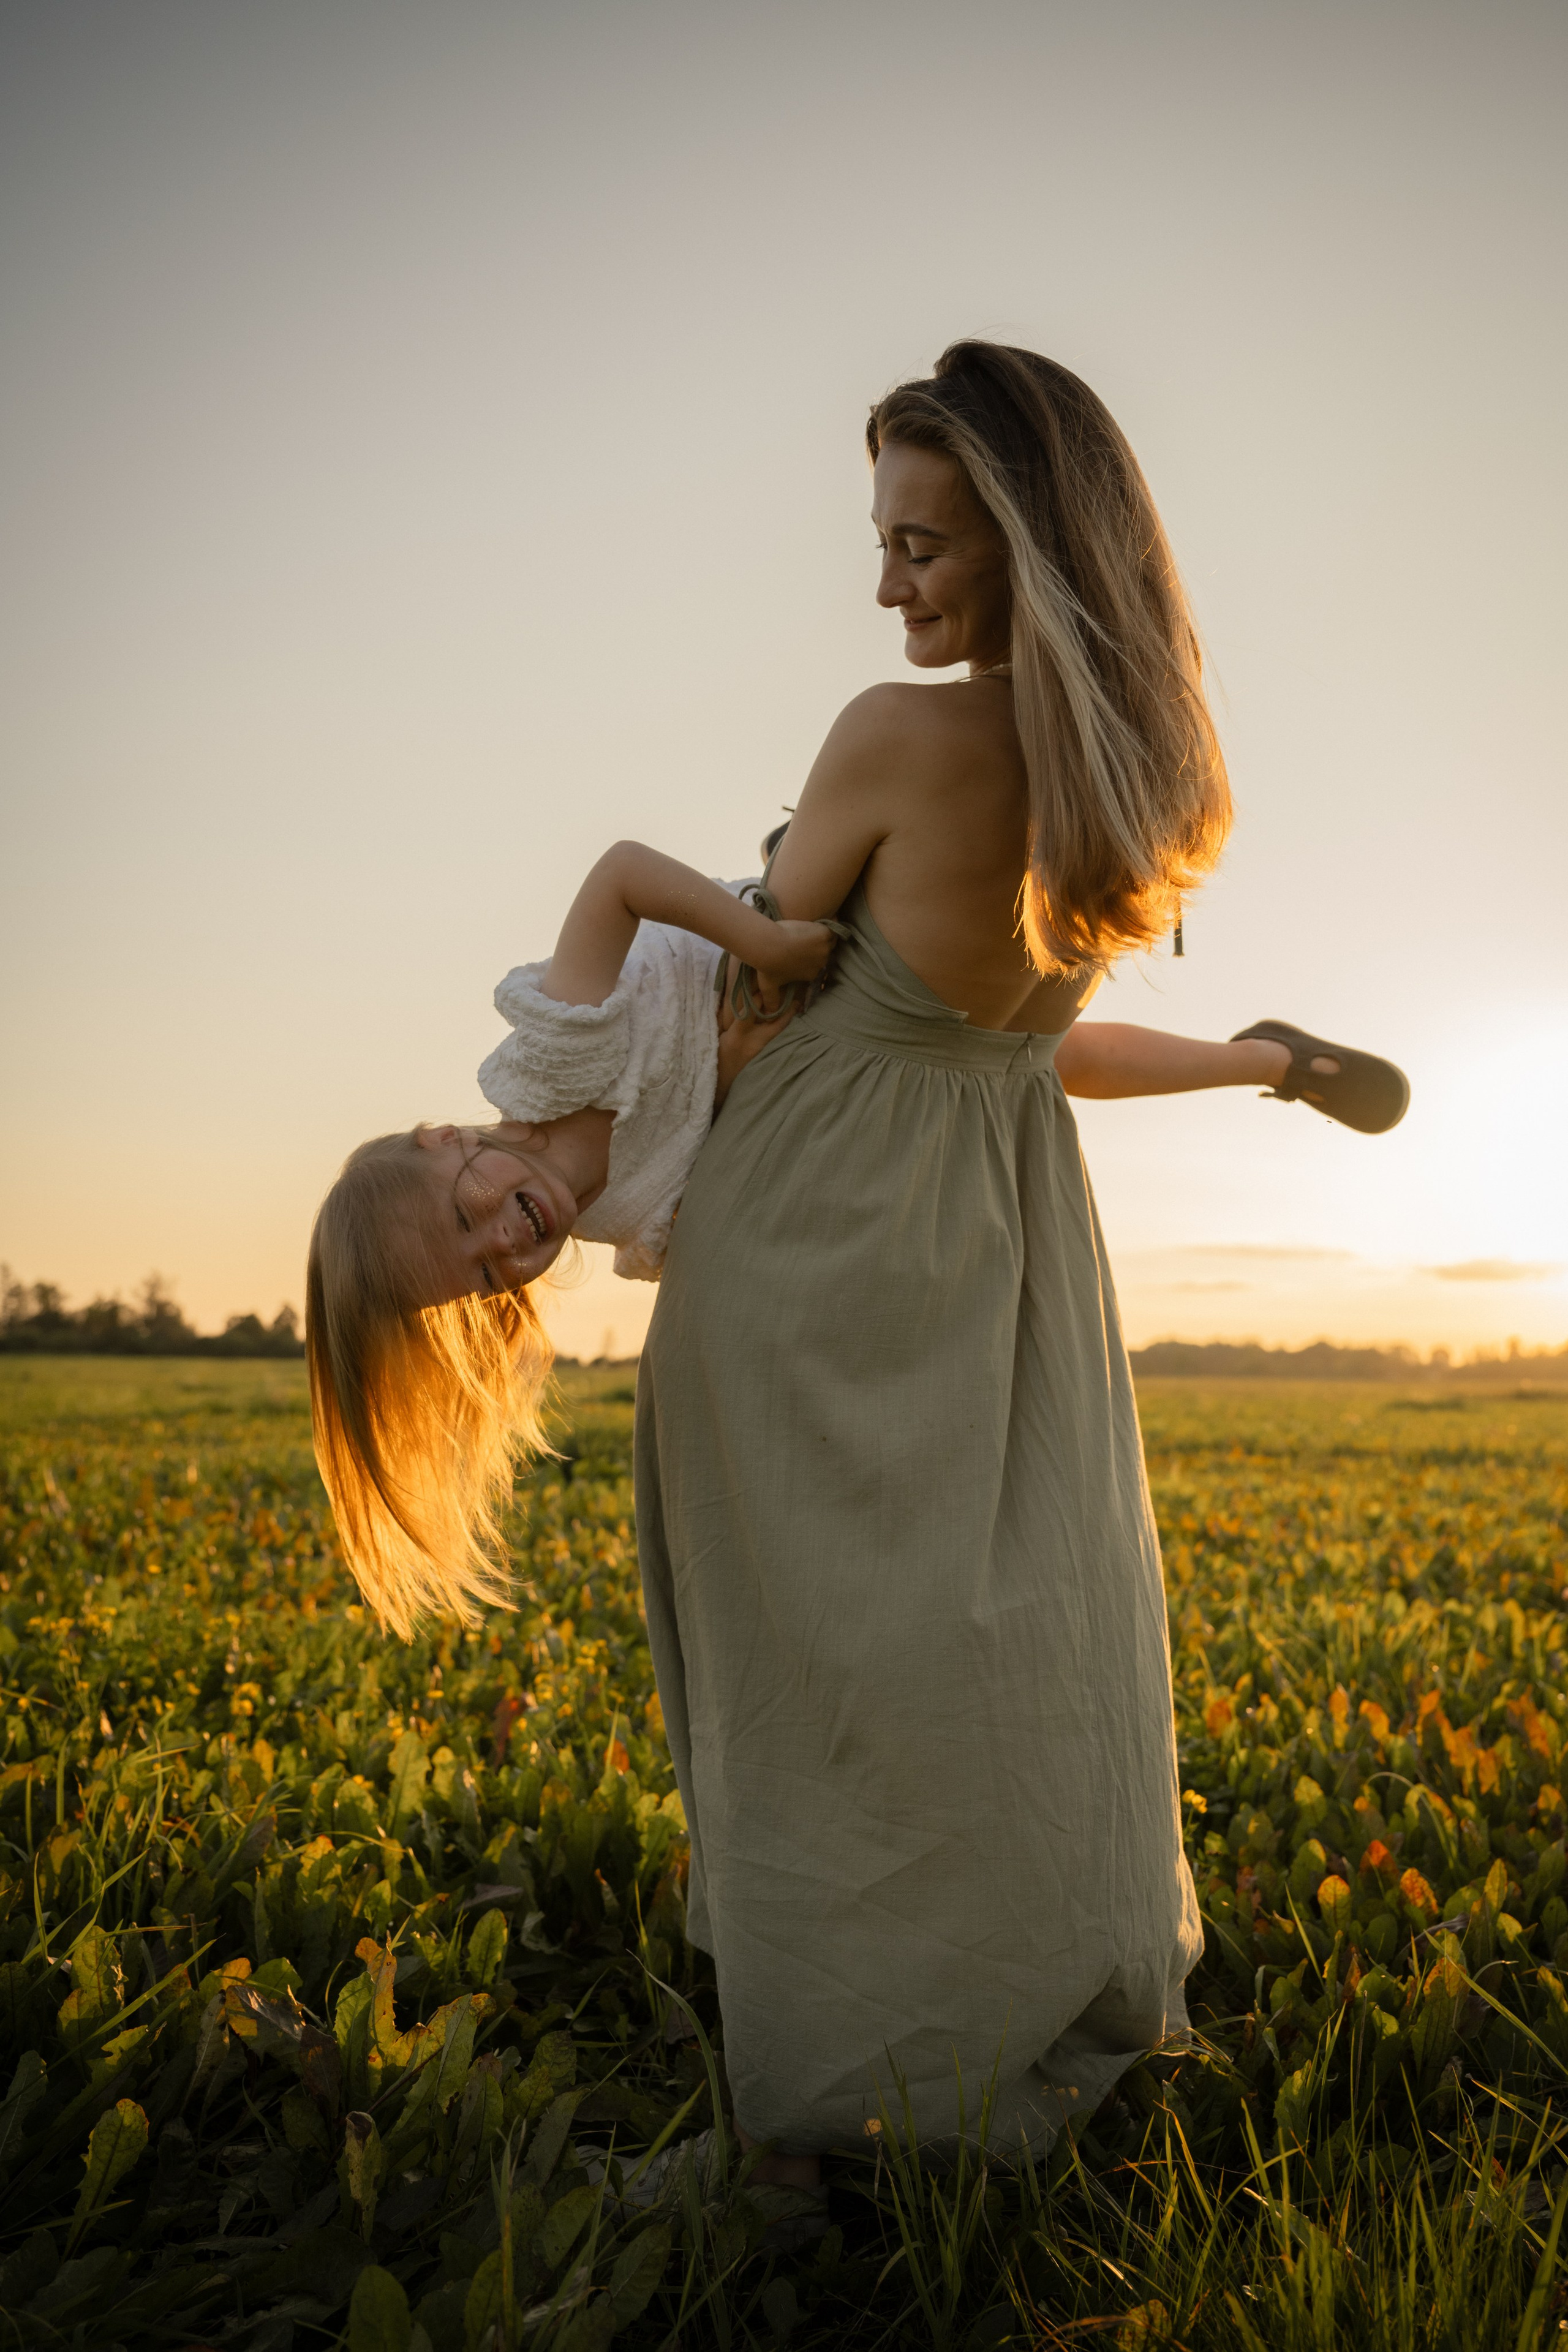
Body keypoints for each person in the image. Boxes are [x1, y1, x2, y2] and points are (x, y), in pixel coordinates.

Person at [631, 337, 1391, 2186]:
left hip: (812, 1219)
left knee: (823, 1662)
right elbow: (1026, 1041)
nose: (886, 585)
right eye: (884, 542)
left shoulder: (893, 739)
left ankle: (843, 2096)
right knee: (1006, 1633)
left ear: (1032, 549)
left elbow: (775, 967)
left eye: (923, 546)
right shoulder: (1130, 776)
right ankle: (1008, 2019)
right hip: (1001, 1219)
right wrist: (1263, 1065)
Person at [306, 826, 1404, 1641]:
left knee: (1010, 990)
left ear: (446, 1136)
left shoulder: (549, 1062)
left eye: (471, 1211)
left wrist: (763, 942)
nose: (507, 1241)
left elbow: (621, 875)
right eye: (482, 1275)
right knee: (1041, 1066)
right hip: (822, 1060)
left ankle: (1114, 854)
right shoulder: (622, 1222)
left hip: (797, 938)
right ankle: (1268, 1063)